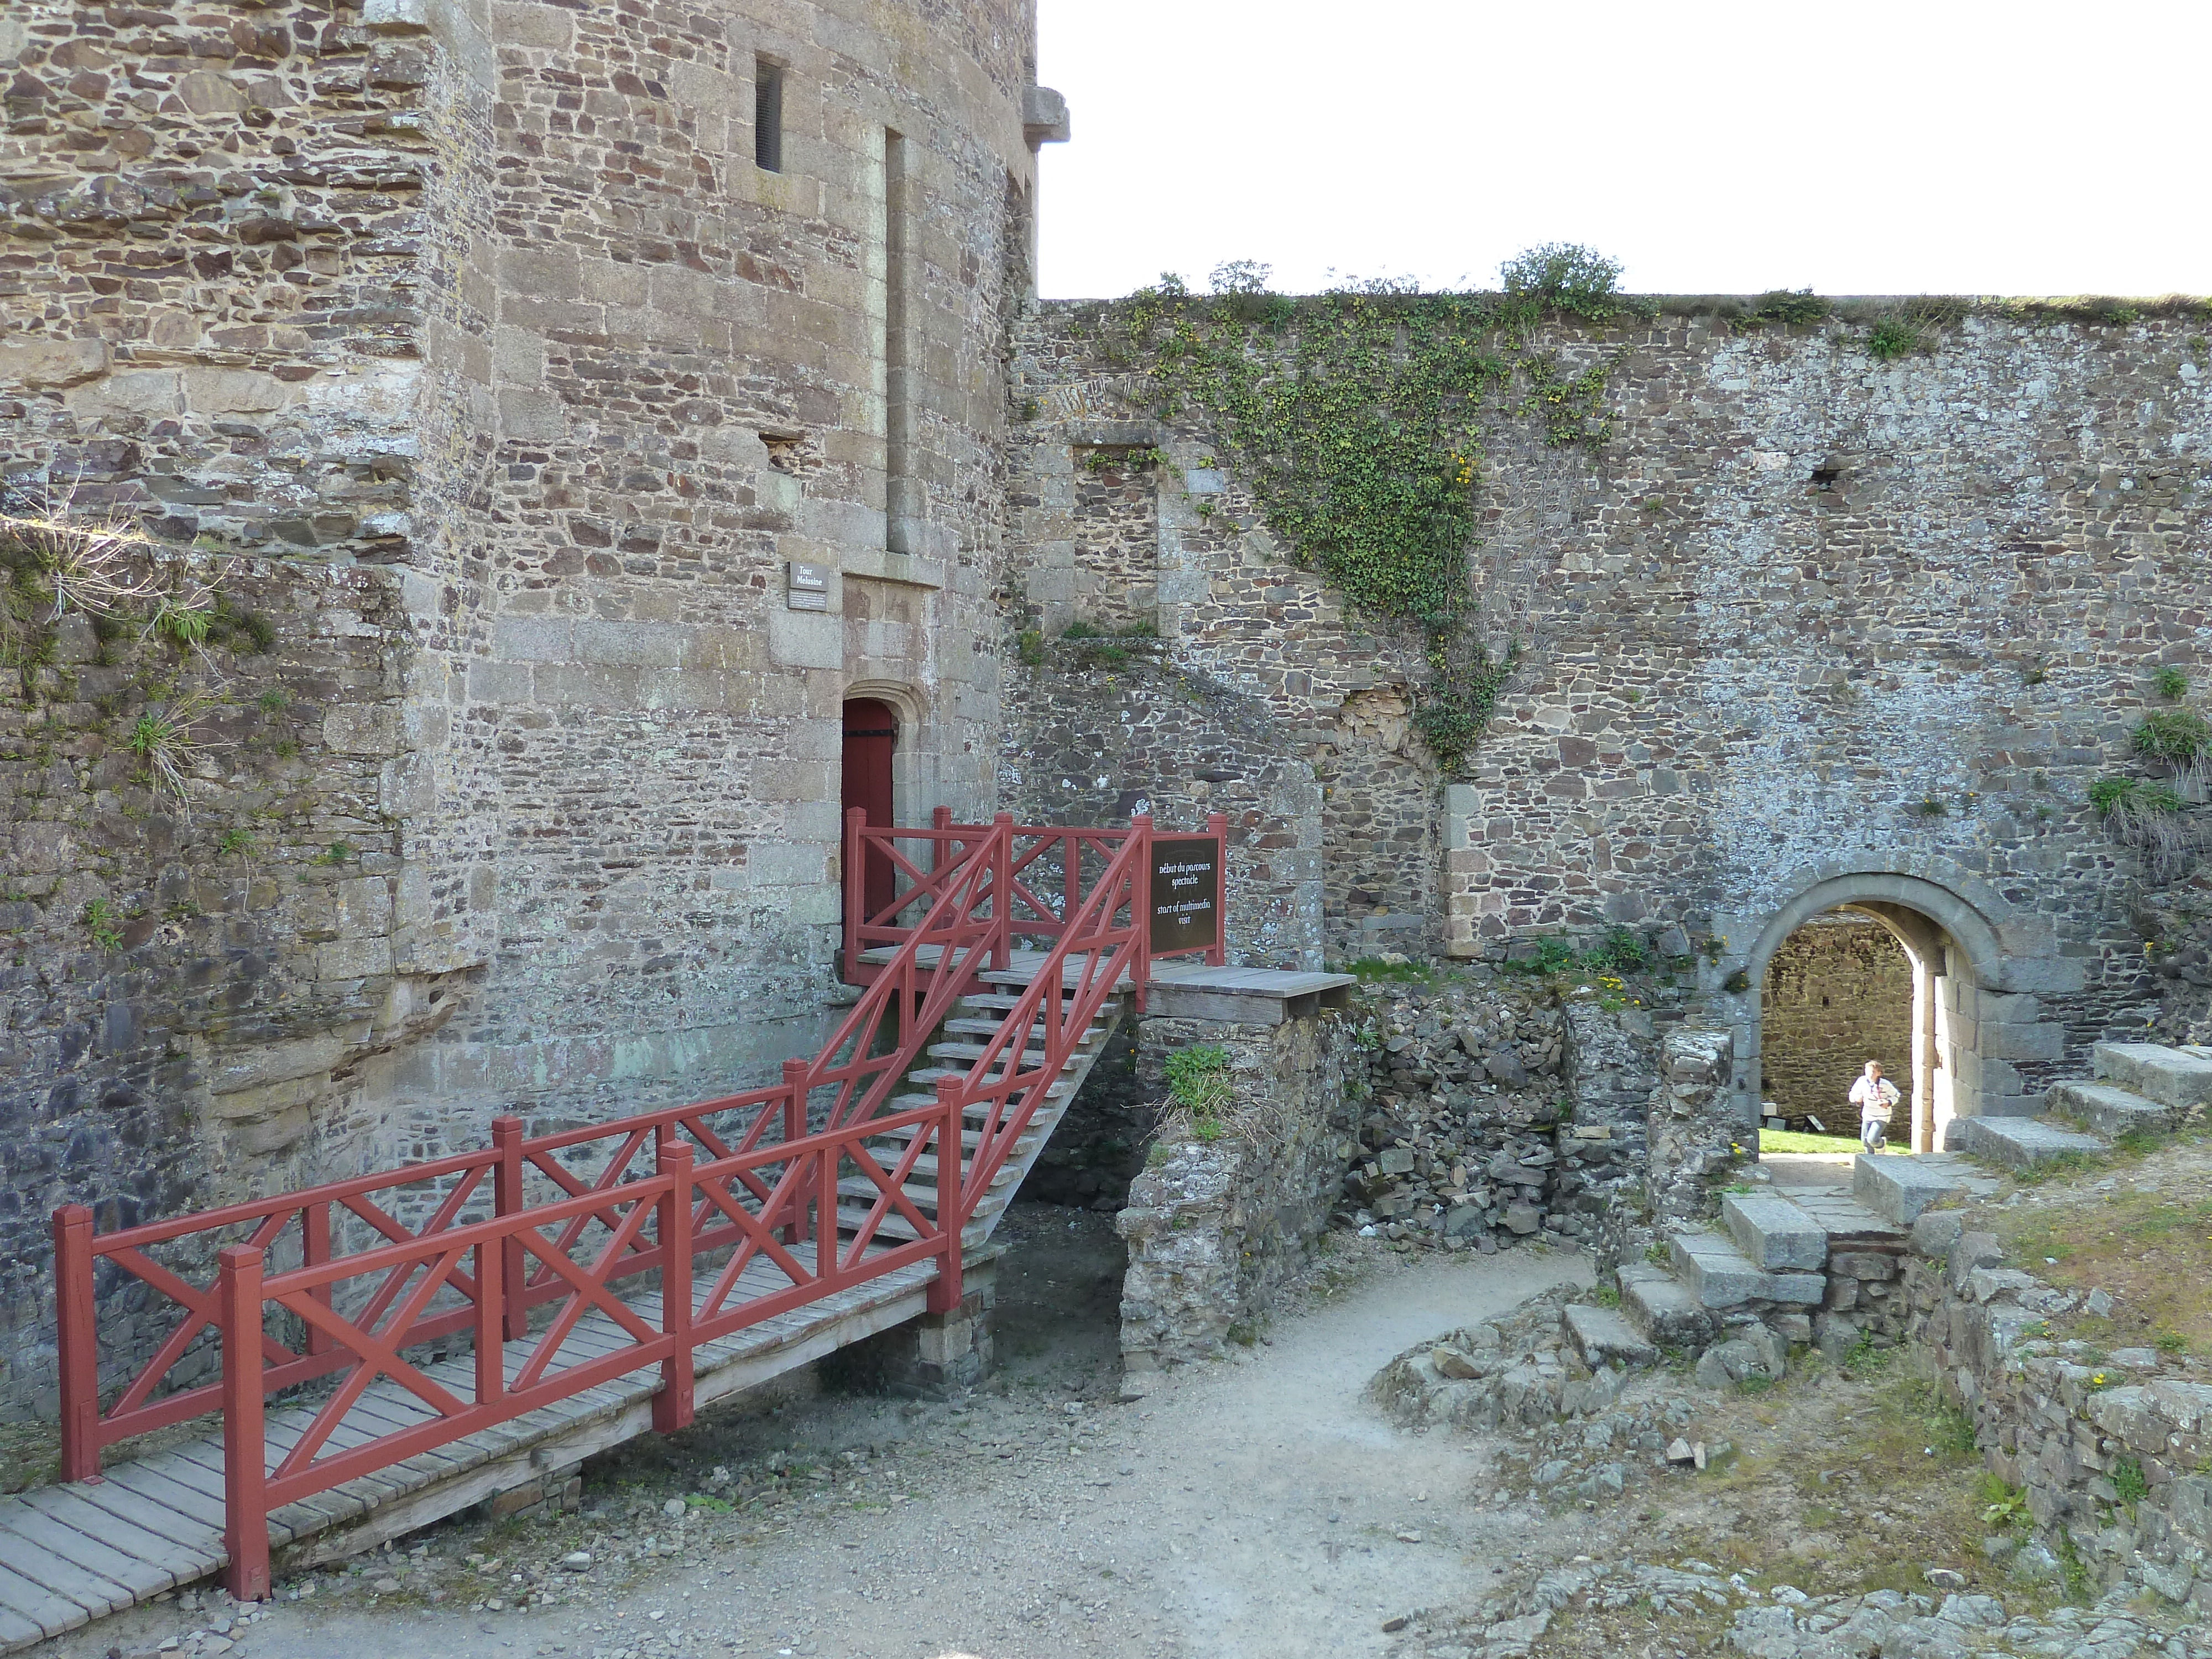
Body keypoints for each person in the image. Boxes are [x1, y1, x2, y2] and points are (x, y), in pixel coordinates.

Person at [1849, 1060, 1901, 1152]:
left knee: (1872, 1140)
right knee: (1865, 1141)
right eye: (1867, 1071)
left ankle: (1881, 1144)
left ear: (1879, 1073)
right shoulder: (1862, 1081)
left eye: (1873, 1072)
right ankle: (1869, 1160)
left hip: (1882, 1116)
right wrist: (1857, 1099)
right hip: (1868, 1114)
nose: (1870, 1074)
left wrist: (1888, 1102)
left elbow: (1896, 1095)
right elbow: (1853, 1094)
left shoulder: (1885, 1084)